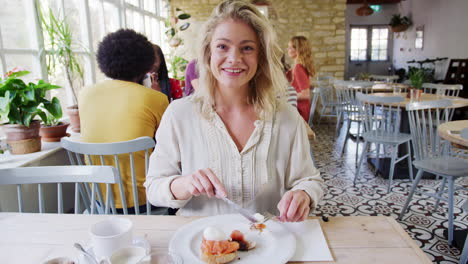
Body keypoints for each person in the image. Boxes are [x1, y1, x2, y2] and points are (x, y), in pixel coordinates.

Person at [145, 0, 323, 222]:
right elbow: (154, 188)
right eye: (222, 46)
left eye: (247, 48)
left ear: (261, 57)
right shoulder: (179, 114)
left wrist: (304, 194)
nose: (234, 58)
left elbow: (310, 180)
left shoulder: (286, 117)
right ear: (208, 52)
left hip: (269, 243)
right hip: (200, 246)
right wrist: (185, 184)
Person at [80, 29, 169, 213]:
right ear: (145, 63)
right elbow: (170, 145)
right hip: (146, 199)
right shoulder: (155, 98)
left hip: (100, 199)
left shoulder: (85, 94)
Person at [286, 36, 316, 122]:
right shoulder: (298, 66)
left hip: (300, 110)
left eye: (290, 47)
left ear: (298, 50)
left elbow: (305, 94)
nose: (288, 49)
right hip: (299, 108)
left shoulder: (298, 67)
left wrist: (286, 97)